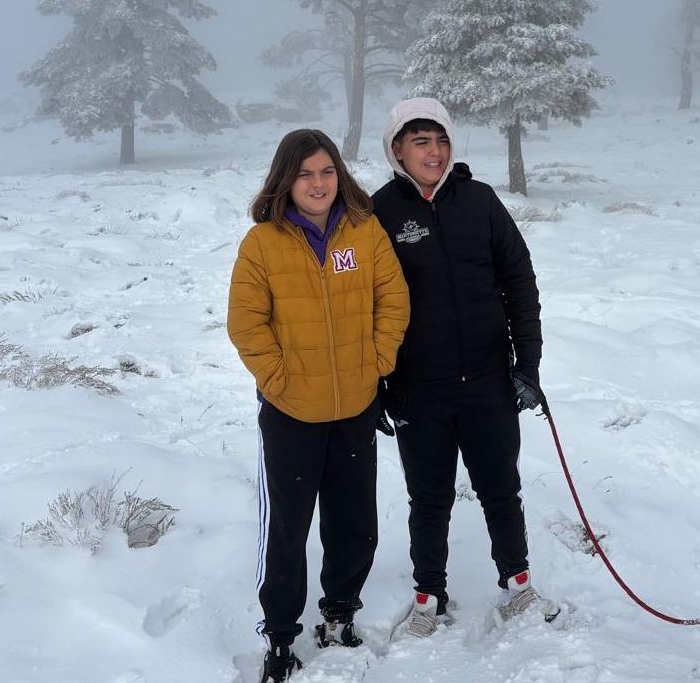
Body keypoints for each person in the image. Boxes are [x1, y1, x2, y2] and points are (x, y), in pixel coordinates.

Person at [228, 129, 410, 682]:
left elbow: (393, 299)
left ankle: (339, 613)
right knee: (288, 529)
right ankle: (281, 636)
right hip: (290, 413)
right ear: (286, 178)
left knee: (354, 522)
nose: (318, 183)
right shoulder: (262, 244)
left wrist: (376, 362)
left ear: (340, 175)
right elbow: (247, 324)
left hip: (355, 406)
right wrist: (279, 380)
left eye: (326, 171)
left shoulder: (364, 229)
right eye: (305, 173)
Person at [371, 98, 552, 638]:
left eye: (441, 139)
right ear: (396, 148)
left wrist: (529, 365)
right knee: (429, 496)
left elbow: (520, 283)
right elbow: (365, 305)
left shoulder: (480, 201)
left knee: (500, 487)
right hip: (417, 387)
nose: (433, 150)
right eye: (420, 140)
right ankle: (428, 598)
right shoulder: (379, 212)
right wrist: (376, 382)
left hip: (489, 379)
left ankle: (517, 586)